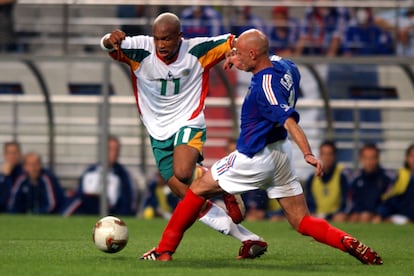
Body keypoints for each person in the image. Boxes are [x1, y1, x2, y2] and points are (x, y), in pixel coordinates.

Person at [140, 29, 383, 265]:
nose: (235, 57)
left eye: (240, 54)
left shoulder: (264, 89)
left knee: (196, 189)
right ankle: (348, 241)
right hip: (280, 155)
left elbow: (289, 121)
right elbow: (266, 60)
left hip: (254, 157)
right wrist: (235, 57)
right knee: (301, 221)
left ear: (254, 54)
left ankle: (164, 249)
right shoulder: (285, 66)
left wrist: (308, 153)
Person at [100, 12, 267, 259]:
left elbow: (236, 40)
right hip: (157, 131)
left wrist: (236, 55)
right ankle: (248, 237)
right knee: (188, 196)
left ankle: (223, 186)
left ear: (180, 37)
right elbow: (106, 44)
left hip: (188, 121)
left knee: (183, 173)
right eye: (157, 39)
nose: (161, 45)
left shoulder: (198, 50)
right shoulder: (140, 49)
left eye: (166, 39)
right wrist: (108, 38)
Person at [62, 135, 137, 216]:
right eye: (110, 150)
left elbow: (129, 201)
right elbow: (81, 190)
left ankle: (63, 216)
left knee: (78, 199)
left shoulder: (123, 175)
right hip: (89, 205)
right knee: (76, 197)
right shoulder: (90, 171)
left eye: (116, 150)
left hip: (111, 209)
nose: (113, 153)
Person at [347, 143, 394, 223]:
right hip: (360, 215)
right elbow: (352, 200)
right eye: (366, 158)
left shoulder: (387, 179)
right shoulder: (355, 179)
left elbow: (389, 202)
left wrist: (378, 214)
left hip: (380, 216)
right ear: (361, 159)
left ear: (378, 159)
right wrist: (359, 212)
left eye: (372, 158)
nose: (369, 162)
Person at [304, 140, 349, 222]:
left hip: (336, 216)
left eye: (329, 154)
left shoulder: (342, 175)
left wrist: (340, 212)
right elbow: (309, 201)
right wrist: (313, 212)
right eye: (323, 154)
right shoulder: (312, 177)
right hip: (317, 215)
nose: (326, 157)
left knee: (342, 218)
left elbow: (346, 200)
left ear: (335, 156)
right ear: (320, 155)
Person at [373, 144, 414, 224]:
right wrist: (381, 214)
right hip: (403, 216)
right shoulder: (400, 177)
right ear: (407, 158)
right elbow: (390, 199)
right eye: (412, 156)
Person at [0, 141, 23, 212]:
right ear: (4, 155)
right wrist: (5, 176)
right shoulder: (1, 175)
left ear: (20, 154)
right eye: (9, 153)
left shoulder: (24, 173)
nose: (12, 156)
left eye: (14, 153)